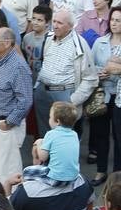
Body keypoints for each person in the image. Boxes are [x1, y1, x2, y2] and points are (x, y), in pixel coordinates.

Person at [34, 8, 97, 136]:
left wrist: (72, 101)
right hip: (43, 92)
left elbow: (91, 78)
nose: (55, 26)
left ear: (70, 26)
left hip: (64, 95)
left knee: (63, 137)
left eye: (60, 23)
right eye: (54, 21)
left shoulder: (79, 45)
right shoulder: (49, 38)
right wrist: (37, 88)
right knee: (44, 135)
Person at [0, 27, 33, 183]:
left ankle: (11, 204)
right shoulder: (1, 61)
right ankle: (0, 204)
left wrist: (8, 122)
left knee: (9, 172)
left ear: (7, 43)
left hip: (6, 124)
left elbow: (25, 100)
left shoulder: (17, 66)